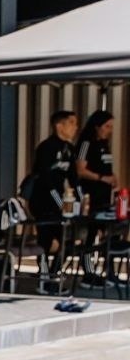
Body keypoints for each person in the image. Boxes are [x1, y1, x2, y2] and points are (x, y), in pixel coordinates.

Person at [25, 109, 78, 277]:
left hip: (59, 200)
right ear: (59, 126)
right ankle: (44, 274)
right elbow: (45, 180)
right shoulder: (46, 147)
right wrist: (60, 202)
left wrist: (80, 200)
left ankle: (54, 273)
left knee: (66, 241)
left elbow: (73, 178)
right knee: (45, 240)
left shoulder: (70, 148)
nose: (75, 127)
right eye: (71, 123)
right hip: (41, 200)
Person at [75, 110, 118, 287]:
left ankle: (110, 271)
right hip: (90, 194)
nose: (109, 130)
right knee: (90, 233)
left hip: (105, 195)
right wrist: (101, 178)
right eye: (107, 126)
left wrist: (112, 178)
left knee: (110, 231)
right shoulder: (87, 143)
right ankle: (88, 272)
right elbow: (80, 170)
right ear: (97, 126)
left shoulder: (104, 144)